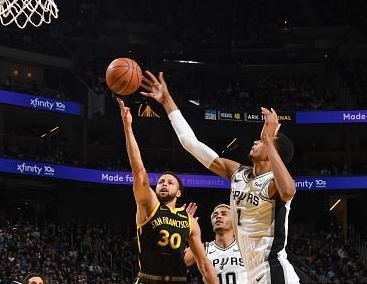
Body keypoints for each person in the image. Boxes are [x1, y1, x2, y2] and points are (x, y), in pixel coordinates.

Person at [140, 72, 300, 284]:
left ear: (273, 153)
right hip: (251, 274)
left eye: (261, 141)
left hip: (273, 269)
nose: (255, 141)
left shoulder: (273, 183)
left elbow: (289, 191)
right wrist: (167, 100)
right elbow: (191, 144)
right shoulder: (237, 173)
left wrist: (268, 141)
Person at [117, 98, 218, 284]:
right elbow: (139, 171)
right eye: (161, 181)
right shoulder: (149, 206)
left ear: (179, 193)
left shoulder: (189, 222)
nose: (164, 184)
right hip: (148, 279)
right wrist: (128, 127)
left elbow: (203, 263)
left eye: (170, 182)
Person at [184, 204, 247, 284]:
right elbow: (173, 262)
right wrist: (181, 231)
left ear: (234, 220)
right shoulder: (203, 248)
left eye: (224, 214)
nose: (218, 217)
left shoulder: (245, 247)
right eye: (215, 215)